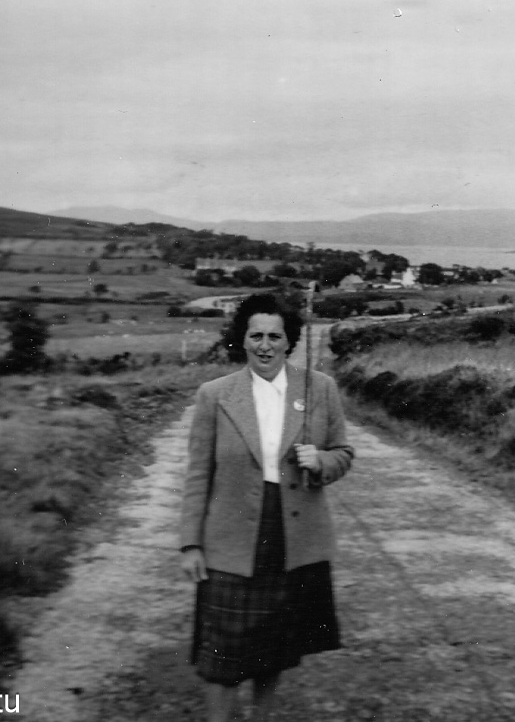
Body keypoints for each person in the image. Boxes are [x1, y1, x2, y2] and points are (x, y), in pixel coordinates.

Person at [179, 292, 354, 722]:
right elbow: (198, 474)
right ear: (241, 339)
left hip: (291, 536)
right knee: (220, 660)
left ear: (288, 340)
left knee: (274, 650)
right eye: (255, 335)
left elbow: (343, 452)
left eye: (275, 336)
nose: (264, 345)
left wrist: (323, 461)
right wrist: (190, 544)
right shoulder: (214, 395)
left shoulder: (320, 389)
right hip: (231, 539)